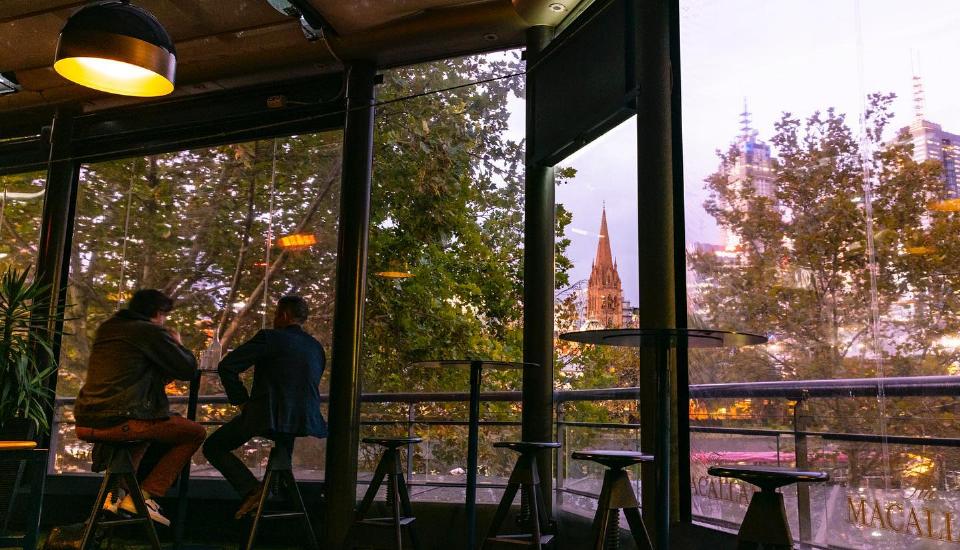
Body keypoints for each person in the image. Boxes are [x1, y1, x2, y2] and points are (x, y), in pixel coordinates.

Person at [74, 289, 205, 526]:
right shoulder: (149, 331)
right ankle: (143, 498)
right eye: (164, 316)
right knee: (194, 432)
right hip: (122, 419)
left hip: (86, 419)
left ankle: (115, 497)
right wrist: (176, 342)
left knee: (144, 434)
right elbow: (187, 368)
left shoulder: (109, 328)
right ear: (158, 313)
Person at [202, 295, 327, 519]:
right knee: (282, 450)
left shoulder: (270, 338)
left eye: (275, 314)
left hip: (268, 415)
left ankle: (254, 490)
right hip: (304, 419)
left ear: (284, 315)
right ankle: (280, 498)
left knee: (214, 447)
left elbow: (228, 367)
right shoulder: (315, 347)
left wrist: (242, 402)